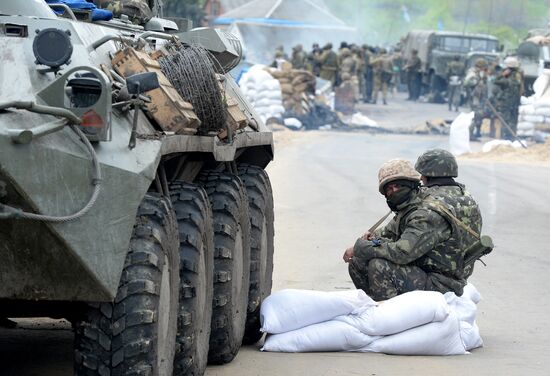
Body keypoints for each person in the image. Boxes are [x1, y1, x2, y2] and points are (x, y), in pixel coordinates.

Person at [343, 159, 467, 301]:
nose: (394, 191)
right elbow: (387, 232)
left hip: (441, 282)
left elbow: (403, 252)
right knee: (358, 261)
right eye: (389, 189)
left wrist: (362, 247)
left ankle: (389, 315)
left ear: (410, 184)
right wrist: (369, 240)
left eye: (398, 185)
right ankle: (375, 307)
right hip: (421, 271)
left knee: (379, 266)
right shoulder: (409, 205)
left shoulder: (426, 213)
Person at [414, 149, 483, 279]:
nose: (420, 178)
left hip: (436, 273)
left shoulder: (431, 199)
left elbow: (410, 245)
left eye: (422, 174)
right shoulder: (467, 196)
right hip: (463, 271)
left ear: (429, 174)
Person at [492, 56, 523, 140]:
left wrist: (502, 75)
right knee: (513, 119)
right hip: (515, 102)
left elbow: (494, 81)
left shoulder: (506, 79)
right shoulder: (518, 76)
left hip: (506, 103)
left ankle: (506, 136)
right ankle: (512, 136)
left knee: (505, 120)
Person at [464, 58, 489, 139]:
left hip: (479, 97)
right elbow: (467, 83)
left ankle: (476, 132)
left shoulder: (480, 73)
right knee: (475, 115)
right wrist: (477, 81)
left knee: (479, 115)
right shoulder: (472, 73)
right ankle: (470, 134)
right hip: (474, 98)